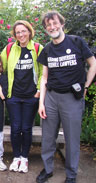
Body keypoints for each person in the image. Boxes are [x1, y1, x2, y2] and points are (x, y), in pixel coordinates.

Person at [36, 11, 96, 183]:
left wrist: (85, 85)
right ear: (46, 29)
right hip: (52, 98)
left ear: (62, 24)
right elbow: (44, 77)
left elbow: (93, 64)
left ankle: (71, 175)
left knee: (71, 139)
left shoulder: (76, 42)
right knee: (48, 138)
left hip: (72, 98)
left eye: (54, 23)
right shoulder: (47, 49)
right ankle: (47, 170)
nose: (52, 27)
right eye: (48, 25)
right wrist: (42, 103)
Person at [1, 20, 43, 173]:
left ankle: (24, 158)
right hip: (14, 97)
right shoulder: (9, 49)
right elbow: (0, 67)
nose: (21, 34)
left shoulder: (38, 49)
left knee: (26, 128)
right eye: (18, 32)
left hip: (31, 97)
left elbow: (43, 73)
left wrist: (38, 91)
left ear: (29, 31)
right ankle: (16, 157)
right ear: (15, 35)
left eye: (23, 31)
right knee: (15, 128)